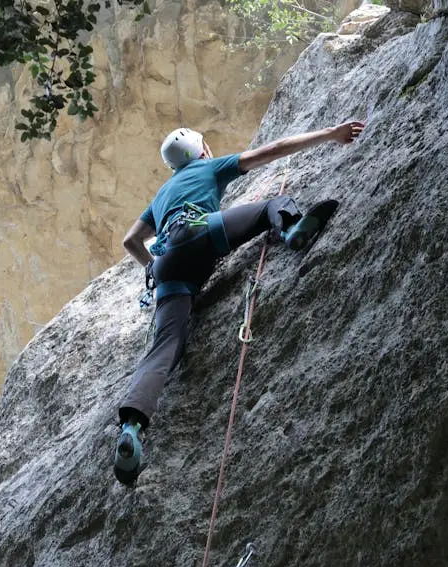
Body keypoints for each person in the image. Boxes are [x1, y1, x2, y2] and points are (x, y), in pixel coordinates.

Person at [114, 120, 365, 484]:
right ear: (202, 151)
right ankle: (292, 228)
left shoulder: (161, 196)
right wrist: (330, 134)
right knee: (268, 208)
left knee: (165, 347)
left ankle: (133, 427)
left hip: (169, 268)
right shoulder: (207, 166)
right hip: (202, 231)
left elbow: (130, 241)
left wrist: (153, 266)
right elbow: (271, 151)